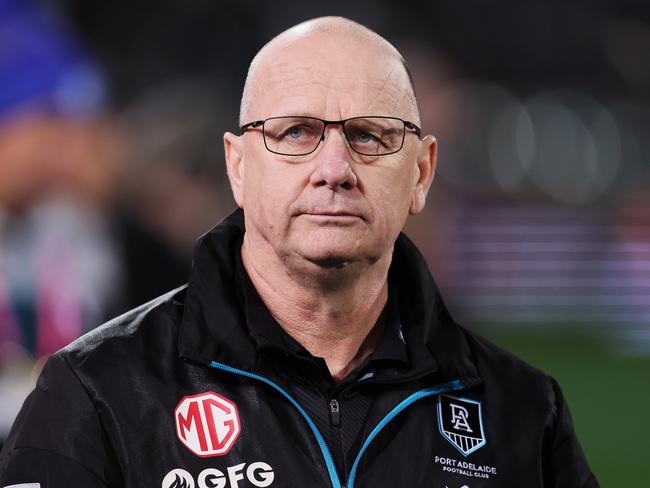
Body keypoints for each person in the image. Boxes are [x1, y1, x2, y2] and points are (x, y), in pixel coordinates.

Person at [0, 16, 598, 488]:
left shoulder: (526, 412)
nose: (334, 170)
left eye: (370, 135)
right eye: (295, 133)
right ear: (238, 166)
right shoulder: (94, 393)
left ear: (421, 173)